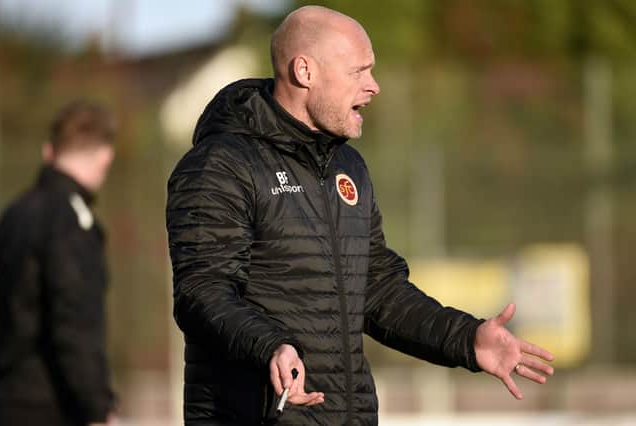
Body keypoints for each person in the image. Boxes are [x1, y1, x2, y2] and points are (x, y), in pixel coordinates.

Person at [166, 5, 554, 425]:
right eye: (358, 71)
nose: (374, 86)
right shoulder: (220, 165)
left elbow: (378, 292)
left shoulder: (347, 167)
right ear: (305, 72)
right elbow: (202, 292)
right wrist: (270, 346)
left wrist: (466, 339)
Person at [0, 100, 117, 425]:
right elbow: (74, 320)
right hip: (51, 404)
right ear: (105, 156)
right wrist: (99, 406)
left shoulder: (14, 213)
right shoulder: (73, 221)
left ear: (48, 152)